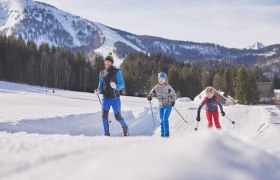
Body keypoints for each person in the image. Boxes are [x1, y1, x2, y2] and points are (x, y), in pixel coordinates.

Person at [95, 52, 128, 136]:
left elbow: (122, 84)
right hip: (105, 98)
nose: (107, 62)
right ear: (104, 62)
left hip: (115, 98)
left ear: (112, 63)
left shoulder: (116, 72)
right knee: (104, 116)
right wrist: (98, 90)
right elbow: (101, 84)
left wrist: (116, 86)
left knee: (118, 117)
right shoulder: (102, 72)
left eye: (109, 61)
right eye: (106, 60)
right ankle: (106, 134)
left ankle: (125, 127)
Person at [147, 72, 177, 137]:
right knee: (161, 120)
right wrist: (149, 96)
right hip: (160, 106)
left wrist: (173, 101)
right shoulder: (156, 87)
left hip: (168, 105)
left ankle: (166, 135)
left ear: (165, 79)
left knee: (165, 118)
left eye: (162, 78)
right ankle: (162, 135)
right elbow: (151, 93)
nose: (161, 80)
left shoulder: (168, 87)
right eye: (159, 78)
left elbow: (174, 94)